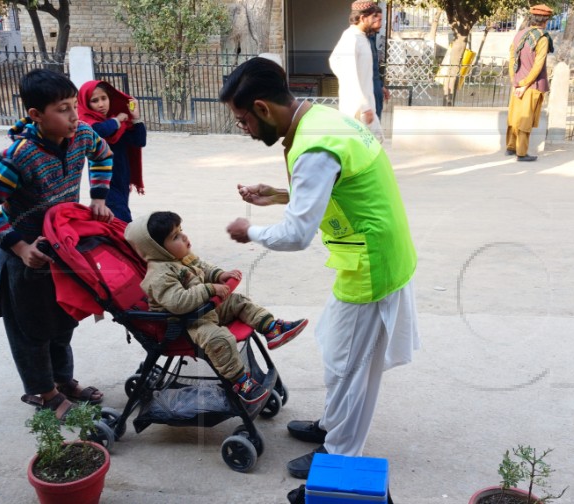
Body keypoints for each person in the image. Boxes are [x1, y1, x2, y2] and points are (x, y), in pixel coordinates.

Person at [220, 57, 420, 479]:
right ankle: (332, 426)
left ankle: (339, 454)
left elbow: (296, 235)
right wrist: (276, 194)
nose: (244, 129)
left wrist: (250, 230)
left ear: (262, 108)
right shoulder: (320, 118)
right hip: (367, 254)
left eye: (242, 120)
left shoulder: (312, 145)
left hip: (371, 263)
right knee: (337, 351)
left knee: (350, 366)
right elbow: (332, 187)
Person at [0, 69, 114, 420]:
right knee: (31, 328)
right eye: (63, 109)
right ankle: (45, 393)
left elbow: (103, 154)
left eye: (73, 107)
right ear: (36, 115)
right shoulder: (17, 156)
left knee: (64, 318)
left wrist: (98, 196)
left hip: (62, 247)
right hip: (25, 256)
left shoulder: (81, 135)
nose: (74, 117)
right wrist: (19, 248)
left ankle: (63, 382)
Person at [124, 211, 309, 405]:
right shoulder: (159, 275)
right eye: (175, 236)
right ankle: (240, 381)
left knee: (237, 301)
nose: (184, 237)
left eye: (181, 230)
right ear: (156, 249)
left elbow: (202, 267)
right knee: (219, 339)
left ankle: (272, 328)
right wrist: (210, 288)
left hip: (203, 310)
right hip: (185, 324)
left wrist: (219, 275)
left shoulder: (181, 257)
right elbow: (178, 302)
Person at [78, 80, 147, 222]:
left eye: (104, 98)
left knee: (117, 216)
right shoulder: (87, 122)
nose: (101, 104)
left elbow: (139, 141)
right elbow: (99, 131)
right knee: (121, 219)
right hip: (104, 182)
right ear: (86, 104)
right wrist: (117, 120)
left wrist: (135, 118)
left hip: (122, 178)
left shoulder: (117, 124)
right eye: (94, 101)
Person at [329, 1, 385, 142]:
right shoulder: (351, 39)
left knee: (373, 144)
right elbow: (349, 76)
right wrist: (364, 107)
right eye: (374, 18)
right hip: (357, 108)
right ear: (362, 18)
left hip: (366, 104)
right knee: (365, 145)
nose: (377, 22)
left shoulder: (361, 37)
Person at [506, 4, 554, 162]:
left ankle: (511, 147)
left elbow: (512, 59)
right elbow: (538, 66)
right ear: (545, 21)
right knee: (525, 119)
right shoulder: (542, 38)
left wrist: (516, 82)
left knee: (514, 117)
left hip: (517, 84)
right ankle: (521, 153)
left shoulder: (519, 34)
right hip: (531, 86)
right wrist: (525, 85)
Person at [367, 15, 390, 121]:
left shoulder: (371, 39)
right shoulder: (360, 41)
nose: (381, 24)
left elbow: (373, 69)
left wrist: (380, 86)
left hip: (376, 93)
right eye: (379, 20)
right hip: (367, 100)